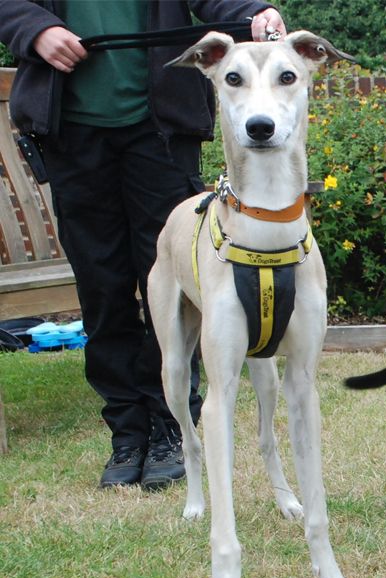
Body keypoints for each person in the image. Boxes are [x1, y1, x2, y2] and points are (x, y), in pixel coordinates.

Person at [0, 1, 286, 490]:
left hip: (160, 132)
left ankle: (171, 428)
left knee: (173, 288)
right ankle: (127, 433)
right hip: (73, 133)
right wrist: (35, 30)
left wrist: (253, 9)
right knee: (102, 287)